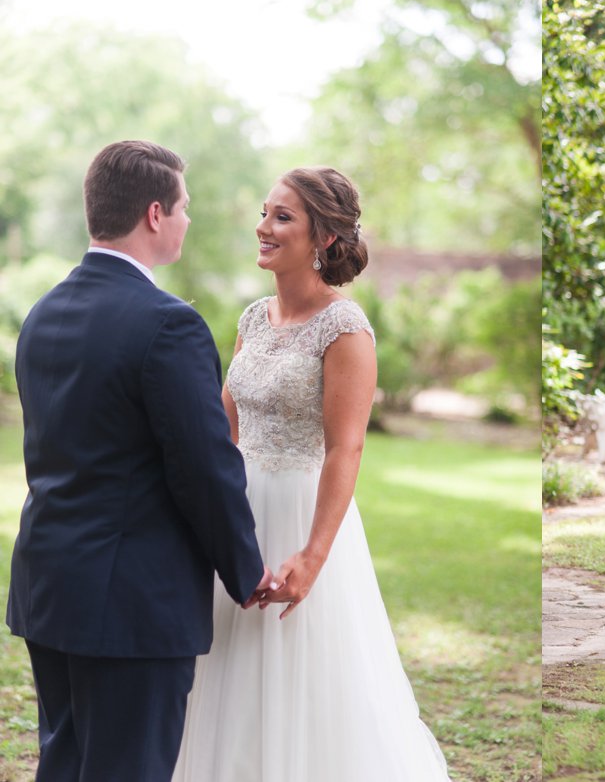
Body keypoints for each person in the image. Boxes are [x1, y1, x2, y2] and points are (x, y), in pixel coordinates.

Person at [173, 167, 450, 781]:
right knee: (228, 658)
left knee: (308, 671)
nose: (263, 227)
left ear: (323, 237)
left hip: (304, 513)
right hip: (239, 509)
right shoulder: (251, 319)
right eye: (265, 211)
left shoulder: (345, 328)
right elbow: (226, 430)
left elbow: (345, 451)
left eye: (282, 217)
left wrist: (314, 555)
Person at [8, 140, 272, 781]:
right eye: (184, 208)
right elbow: (205, 467)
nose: (187, 220)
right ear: (155, 214)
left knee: (65, 764)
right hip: (131, 602)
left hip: (50, 586)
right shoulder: (167, 325)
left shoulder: (43, 314)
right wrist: (245, 569)